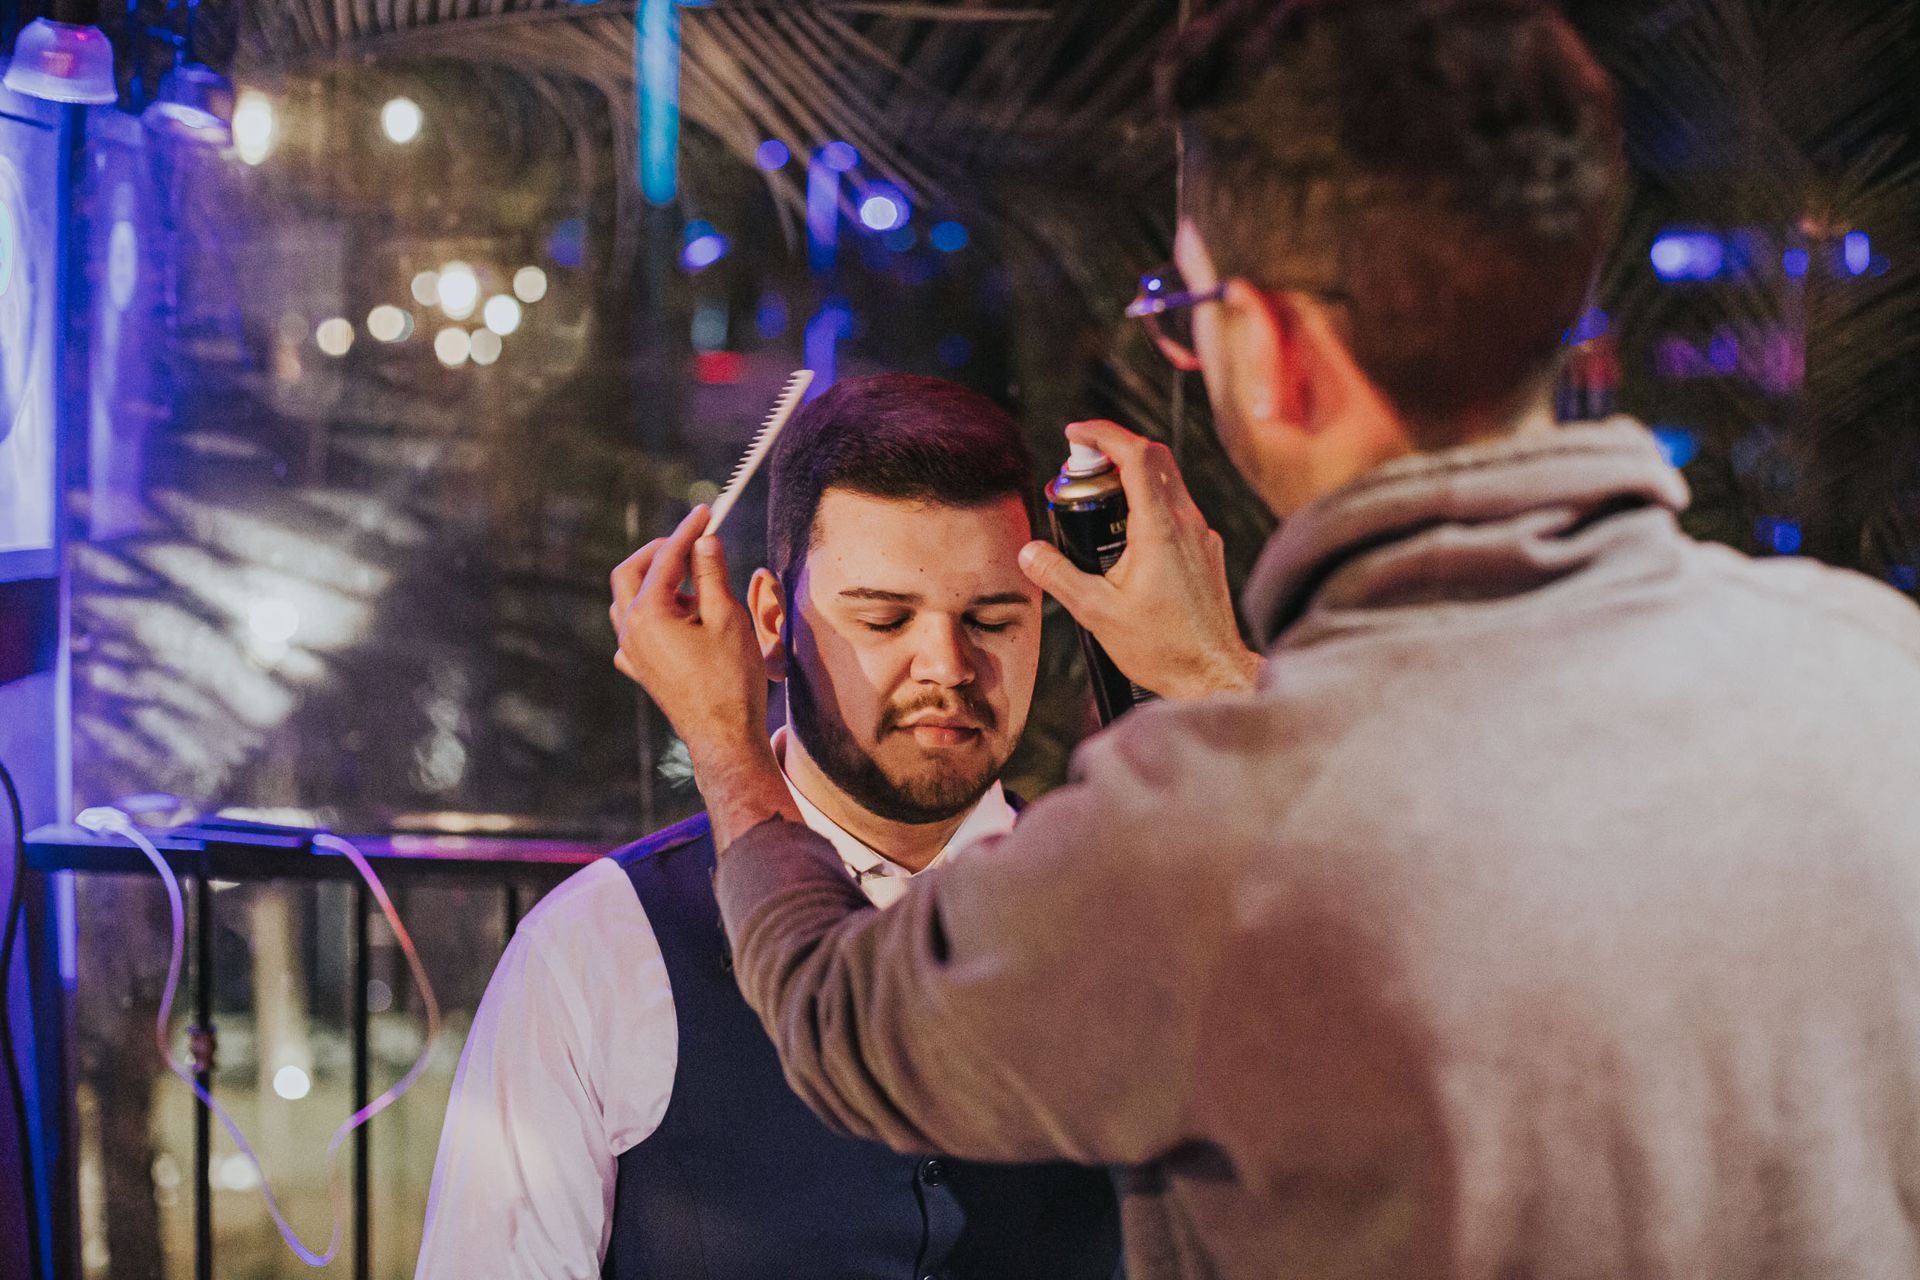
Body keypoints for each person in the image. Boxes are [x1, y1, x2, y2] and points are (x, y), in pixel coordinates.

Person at [611, 1, 1920, 1277]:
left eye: (1189, 313)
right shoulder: (1869, 672)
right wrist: (1207, 682)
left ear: (1276, 350)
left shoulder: (1205, 835)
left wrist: (727, 742)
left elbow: (848, 1025)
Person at [416, 374, 1121, 1280]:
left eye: (991, 618)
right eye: (884, 618)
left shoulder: (1124, 910)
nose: (947, 665)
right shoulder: (599, 946)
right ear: (771, 623)